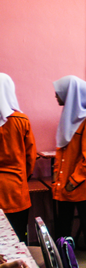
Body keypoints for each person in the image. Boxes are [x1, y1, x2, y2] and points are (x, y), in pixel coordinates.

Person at [52, 75, 86, 268]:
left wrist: (73, 181)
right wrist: (59, 178)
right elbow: (62, 151)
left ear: (71, 93)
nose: (56, 96)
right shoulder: (67, 115)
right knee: (62, 227)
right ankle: (62, 264)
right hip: (65, 184)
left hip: (81, 185)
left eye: (59, 92)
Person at [0, 73, 37, 243]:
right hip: (16, 190)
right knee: (17, 239)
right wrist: (23, 176)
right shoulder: (21, 120)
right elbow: (31, 157)